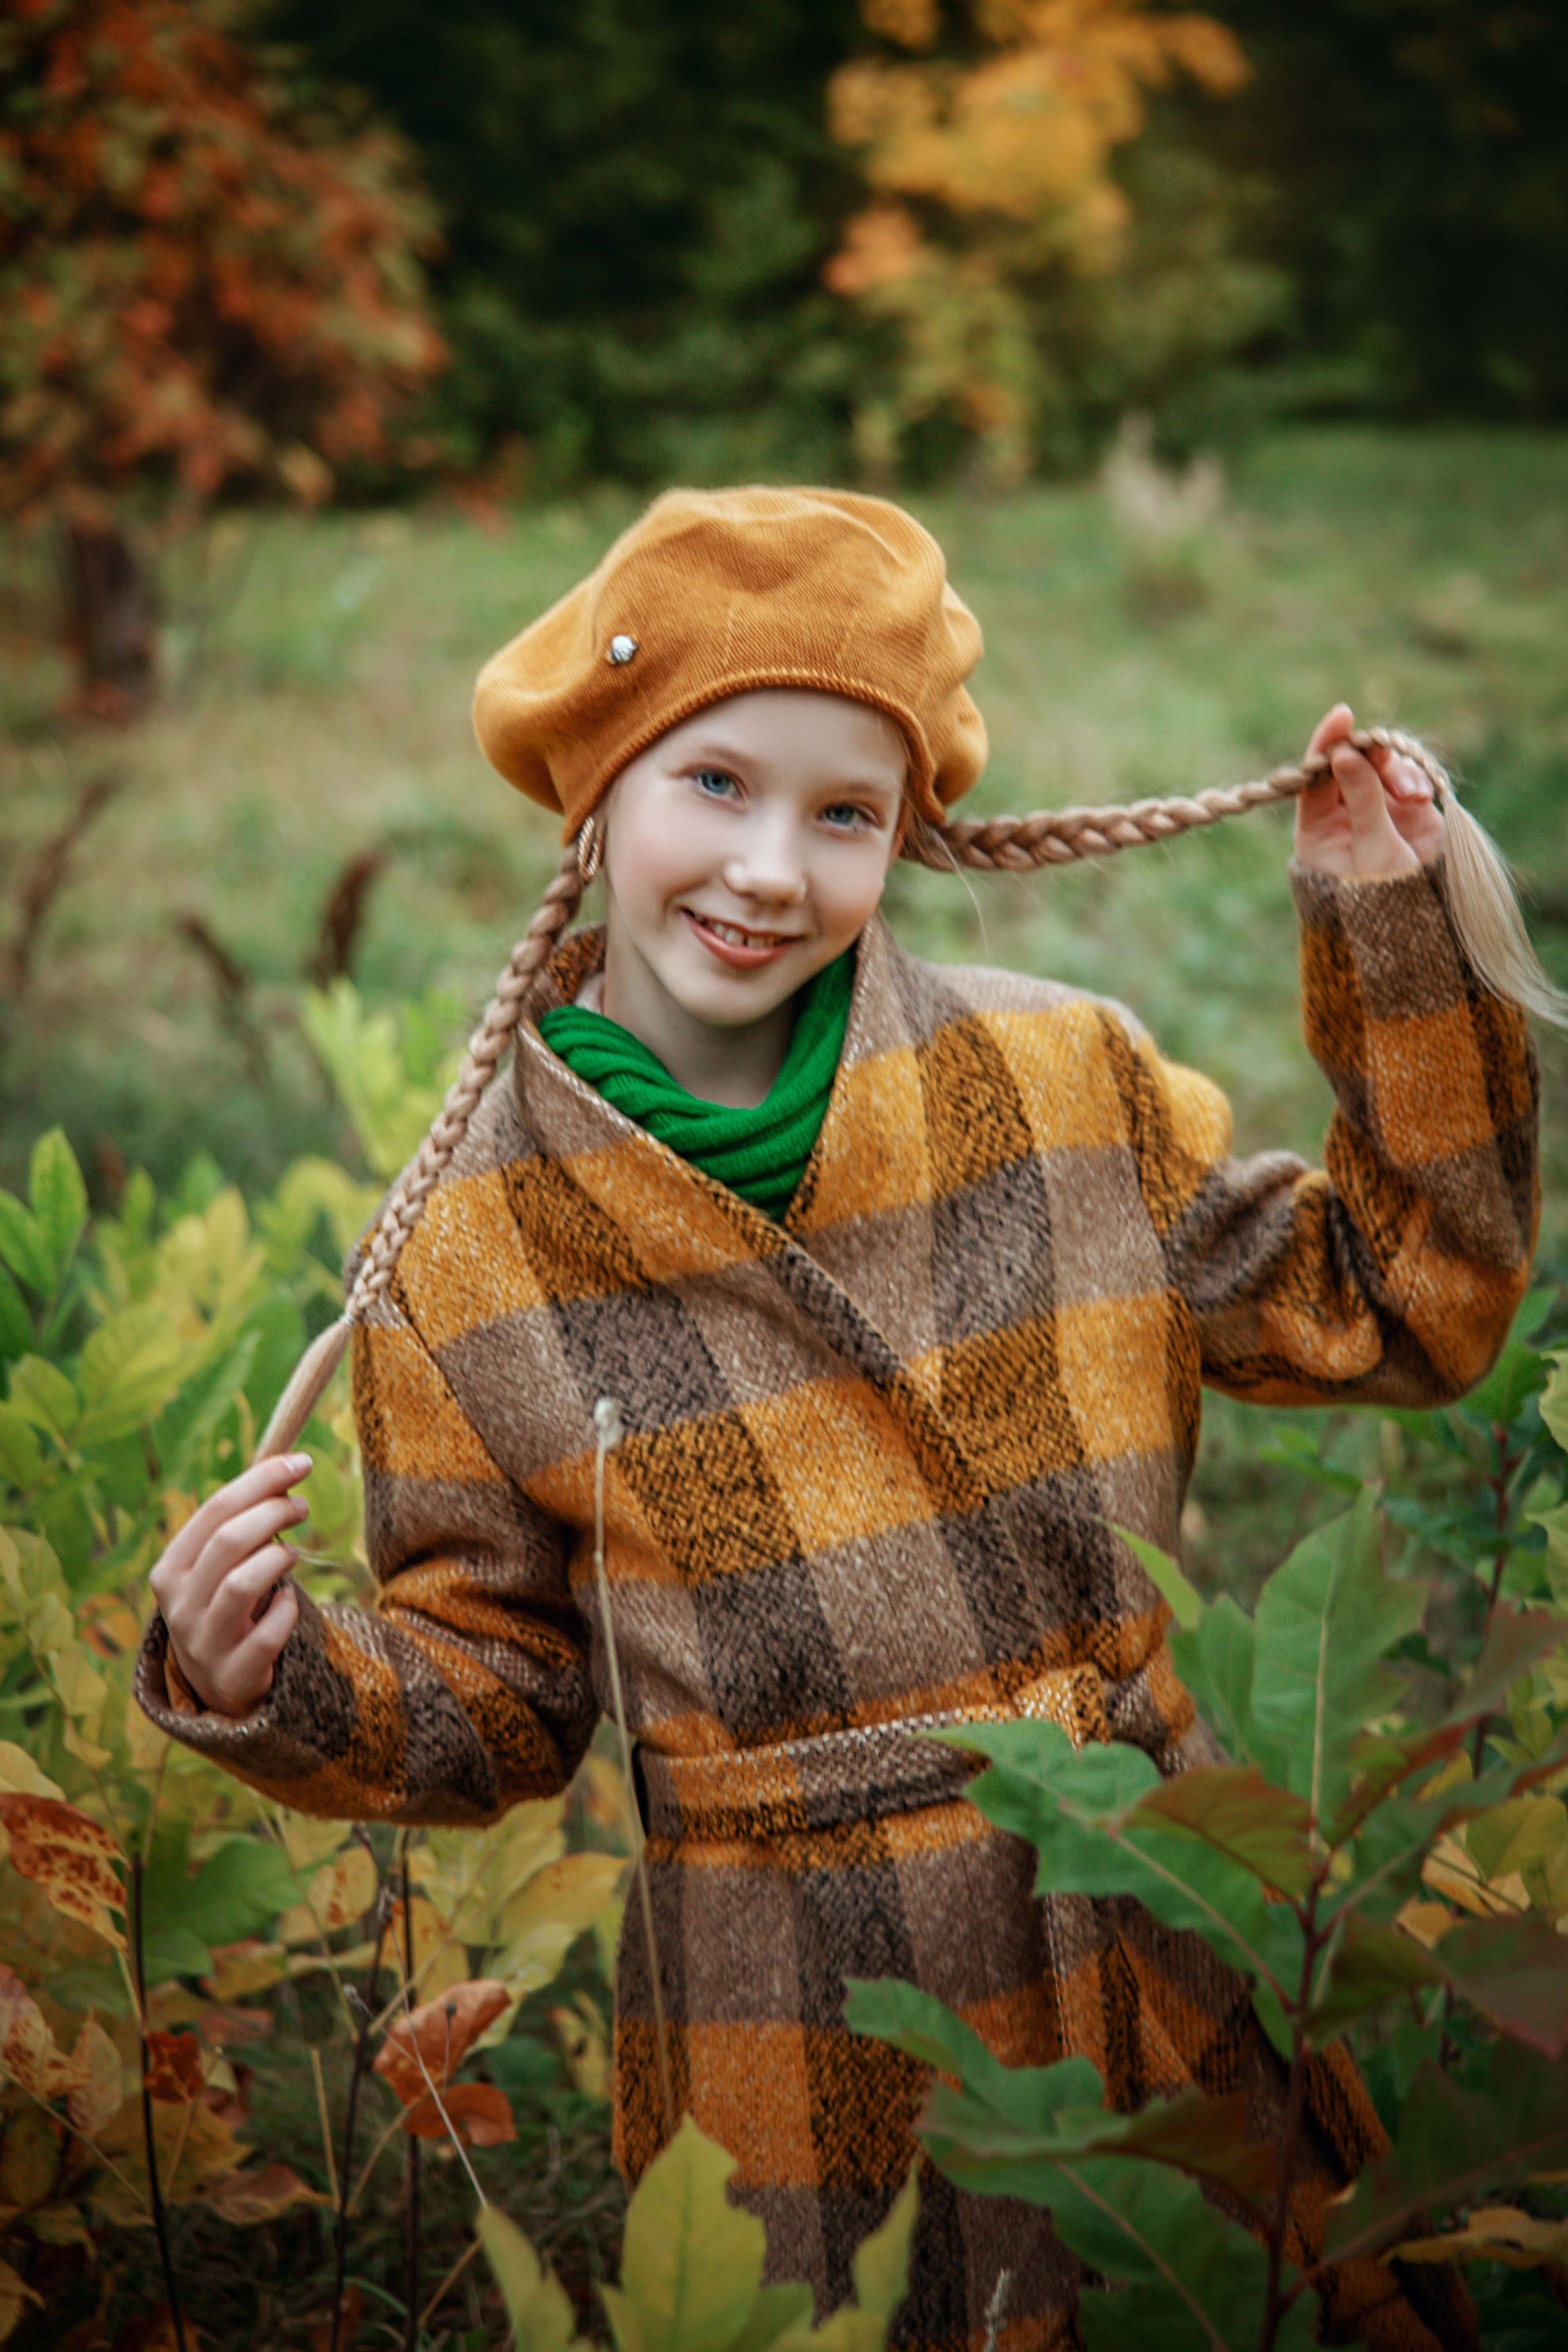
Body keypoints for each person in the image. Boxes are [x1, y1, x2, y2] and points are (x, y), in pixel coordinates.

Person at [138, 489, 1543, 2352]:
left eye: (844, 814)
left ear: (910, 834)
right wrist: (278, 1680)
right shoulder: (472, 1243)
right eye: (713, 783)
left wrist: (1396, 928)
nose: (771, 870)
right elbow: (503, 1691)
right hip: (786, 2037)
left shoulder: (1062, 1089)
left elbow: (1396, 1302)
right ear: (597, 792)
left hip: (1149, 1931)